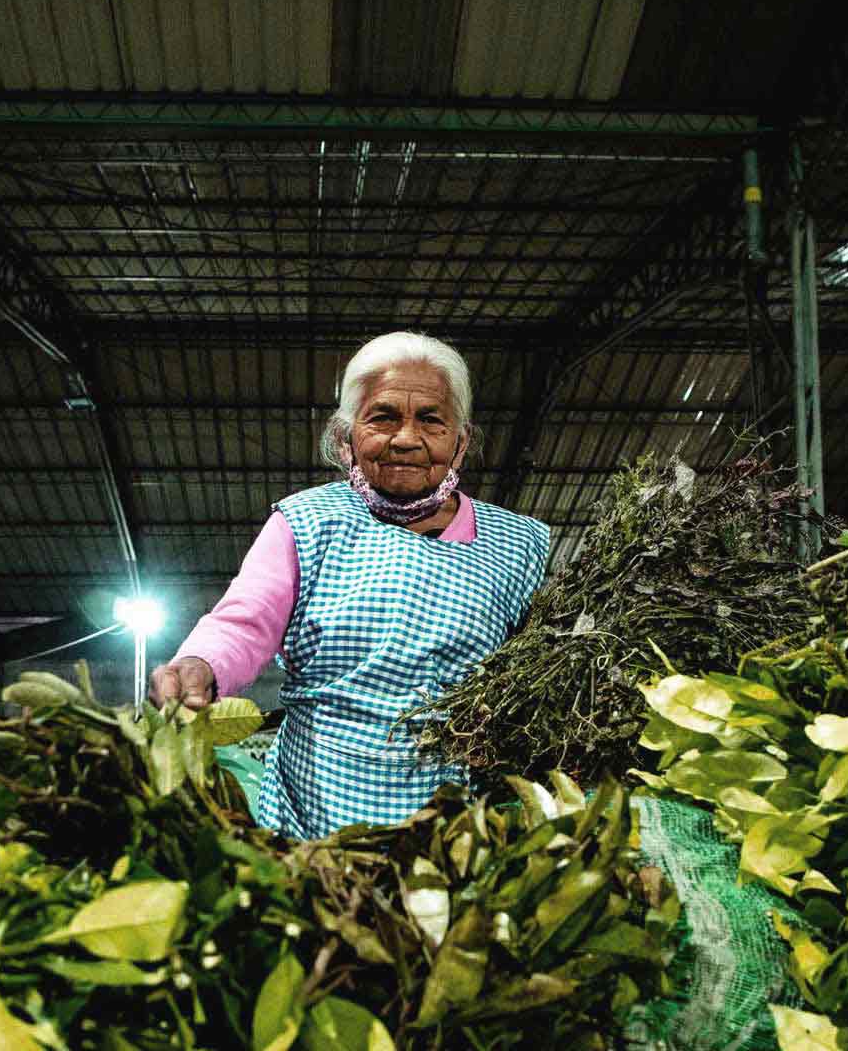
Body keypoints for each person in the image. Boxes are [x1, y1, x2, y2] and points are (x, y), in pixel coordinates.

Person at [150, 332, 550, 839]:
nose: (406, 439)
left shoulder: (518, 542)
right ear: (346, 438)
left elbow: (534, 670)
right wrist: (199, 666)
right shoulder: (308, 521)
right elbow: (244, 620)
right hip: (312, 808)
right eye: (383, 417)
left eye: (431, 419)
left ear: (461, 441)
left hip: (457, 817)